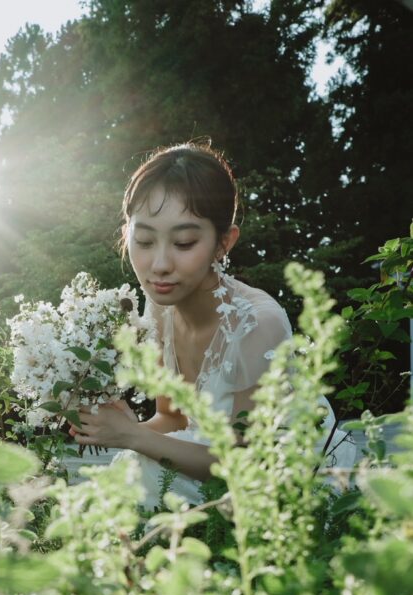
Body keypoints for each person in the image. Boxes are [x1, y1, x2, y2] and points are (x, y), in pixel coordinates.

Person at [69, 141, 357, 507]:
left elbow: (245, 464)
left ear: (223, 243)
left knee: (136, 478)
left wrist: (132, 437)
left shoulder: (256, 322)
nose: (159, 264)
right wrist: (116, 429)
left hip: (285, 477)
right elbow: (171, 418)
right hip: (211, 467)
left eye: (184, 242)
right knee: (127, 479)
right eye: (143, 240)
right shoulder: (161, 304)